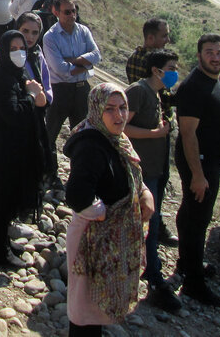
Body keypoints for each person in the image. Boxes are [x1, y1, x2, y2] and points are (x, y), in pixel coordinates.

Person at [64, 83, 154, 335]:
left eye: (123, 108)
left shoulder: (116, 139)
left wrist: (144, 193)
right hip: (91, 239)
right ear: (96, 110)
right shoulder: (91, 145)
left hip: (109, 240)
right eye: (110, 109)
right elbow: (78, 197)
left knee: (97, 305)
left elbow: (131, 172)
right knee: (84, 310)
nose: (119, 115)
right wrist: (108, 214)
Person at [0, 30, 46, 267]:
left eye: (21, 48)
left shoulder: (16, 74)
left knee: (9, 199)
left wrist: (33, 95)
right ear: (4, 51)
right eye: (13, 49)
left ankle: (3, 242)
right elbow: (12, 114)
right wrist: (32, 97)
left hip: (12, 149)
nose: (18, 53)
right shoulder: (0, 78)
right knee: (1, 201)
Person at [124, 48, 182, 313]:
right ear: (156, 69)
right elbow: (122, 127)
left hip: (155, 170)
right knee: (149, 223)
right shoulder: (138, 91)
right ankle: (154, 279)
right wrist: (155, 133)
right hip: (141, 170)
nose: (173, 73)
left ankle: (144, 271)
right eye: (170, 68)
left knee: (149, 224)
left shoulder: (159, 94)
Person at [174, 33, 220, 306]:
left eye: (219, 52)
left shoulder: (212, 82)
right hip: (200, 163)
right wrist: (198, 174)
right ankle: (194, 283)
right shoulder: (195, 86)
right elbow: (188, 133)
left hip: (209, 162)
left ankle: (187, 263)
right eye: (210, 52)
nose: (215, 57)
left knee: (191, 214)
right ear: (199, 55)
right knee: (197, 220)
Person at [41, 0, 102, 166]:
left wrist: (72, 60)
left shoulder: (83, 31)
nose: (72, 16)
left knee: (82, 134)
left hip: (82, 90)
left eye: (74, 11)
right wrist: (85, 65)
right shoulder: (50, 37)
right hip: (60, 90)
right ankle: (48, 171)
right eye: (67, 12)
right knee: (50, 134)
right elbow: (60, 69)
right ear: (57, 13)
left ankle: (79, 171)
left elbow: (97, 55)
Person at [15, 11, 55, 182]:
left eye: (35, 32)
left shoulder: (37, 54)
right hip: (15, 116)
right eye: (25, 31)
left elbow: (46, 85)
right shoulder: (9, 54)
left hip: (37, 115)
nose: (30, 37)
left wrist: (43, 97)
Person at [125, 18, 170, 84]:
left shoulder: (133, 57)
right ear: (150, 38)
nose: (168, 40)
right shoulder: (155, 62)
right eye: (164, 36)